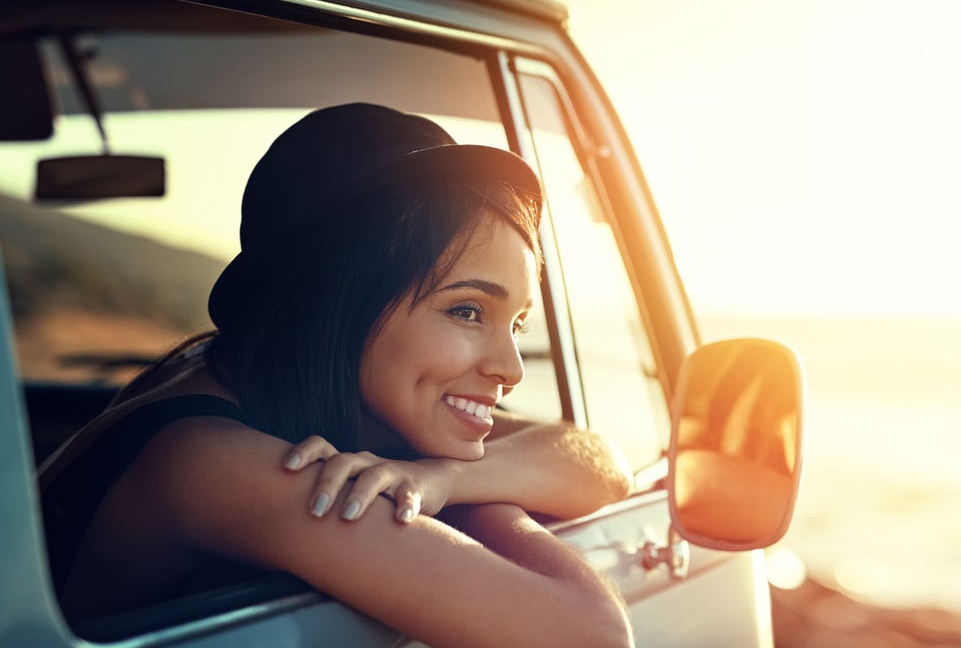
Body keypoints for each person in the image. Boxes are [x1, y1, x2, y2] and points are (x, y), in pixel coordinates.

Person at [38, 103, 635, 647]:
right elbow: (593, 633)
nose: (507, 369)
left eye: (519, 323)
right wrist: (473, 495)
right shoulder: (215, 462)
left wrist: (442, 481)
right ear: (339, 303)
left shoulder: (250, 378)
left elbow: (603, 462)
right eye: (467, 311)